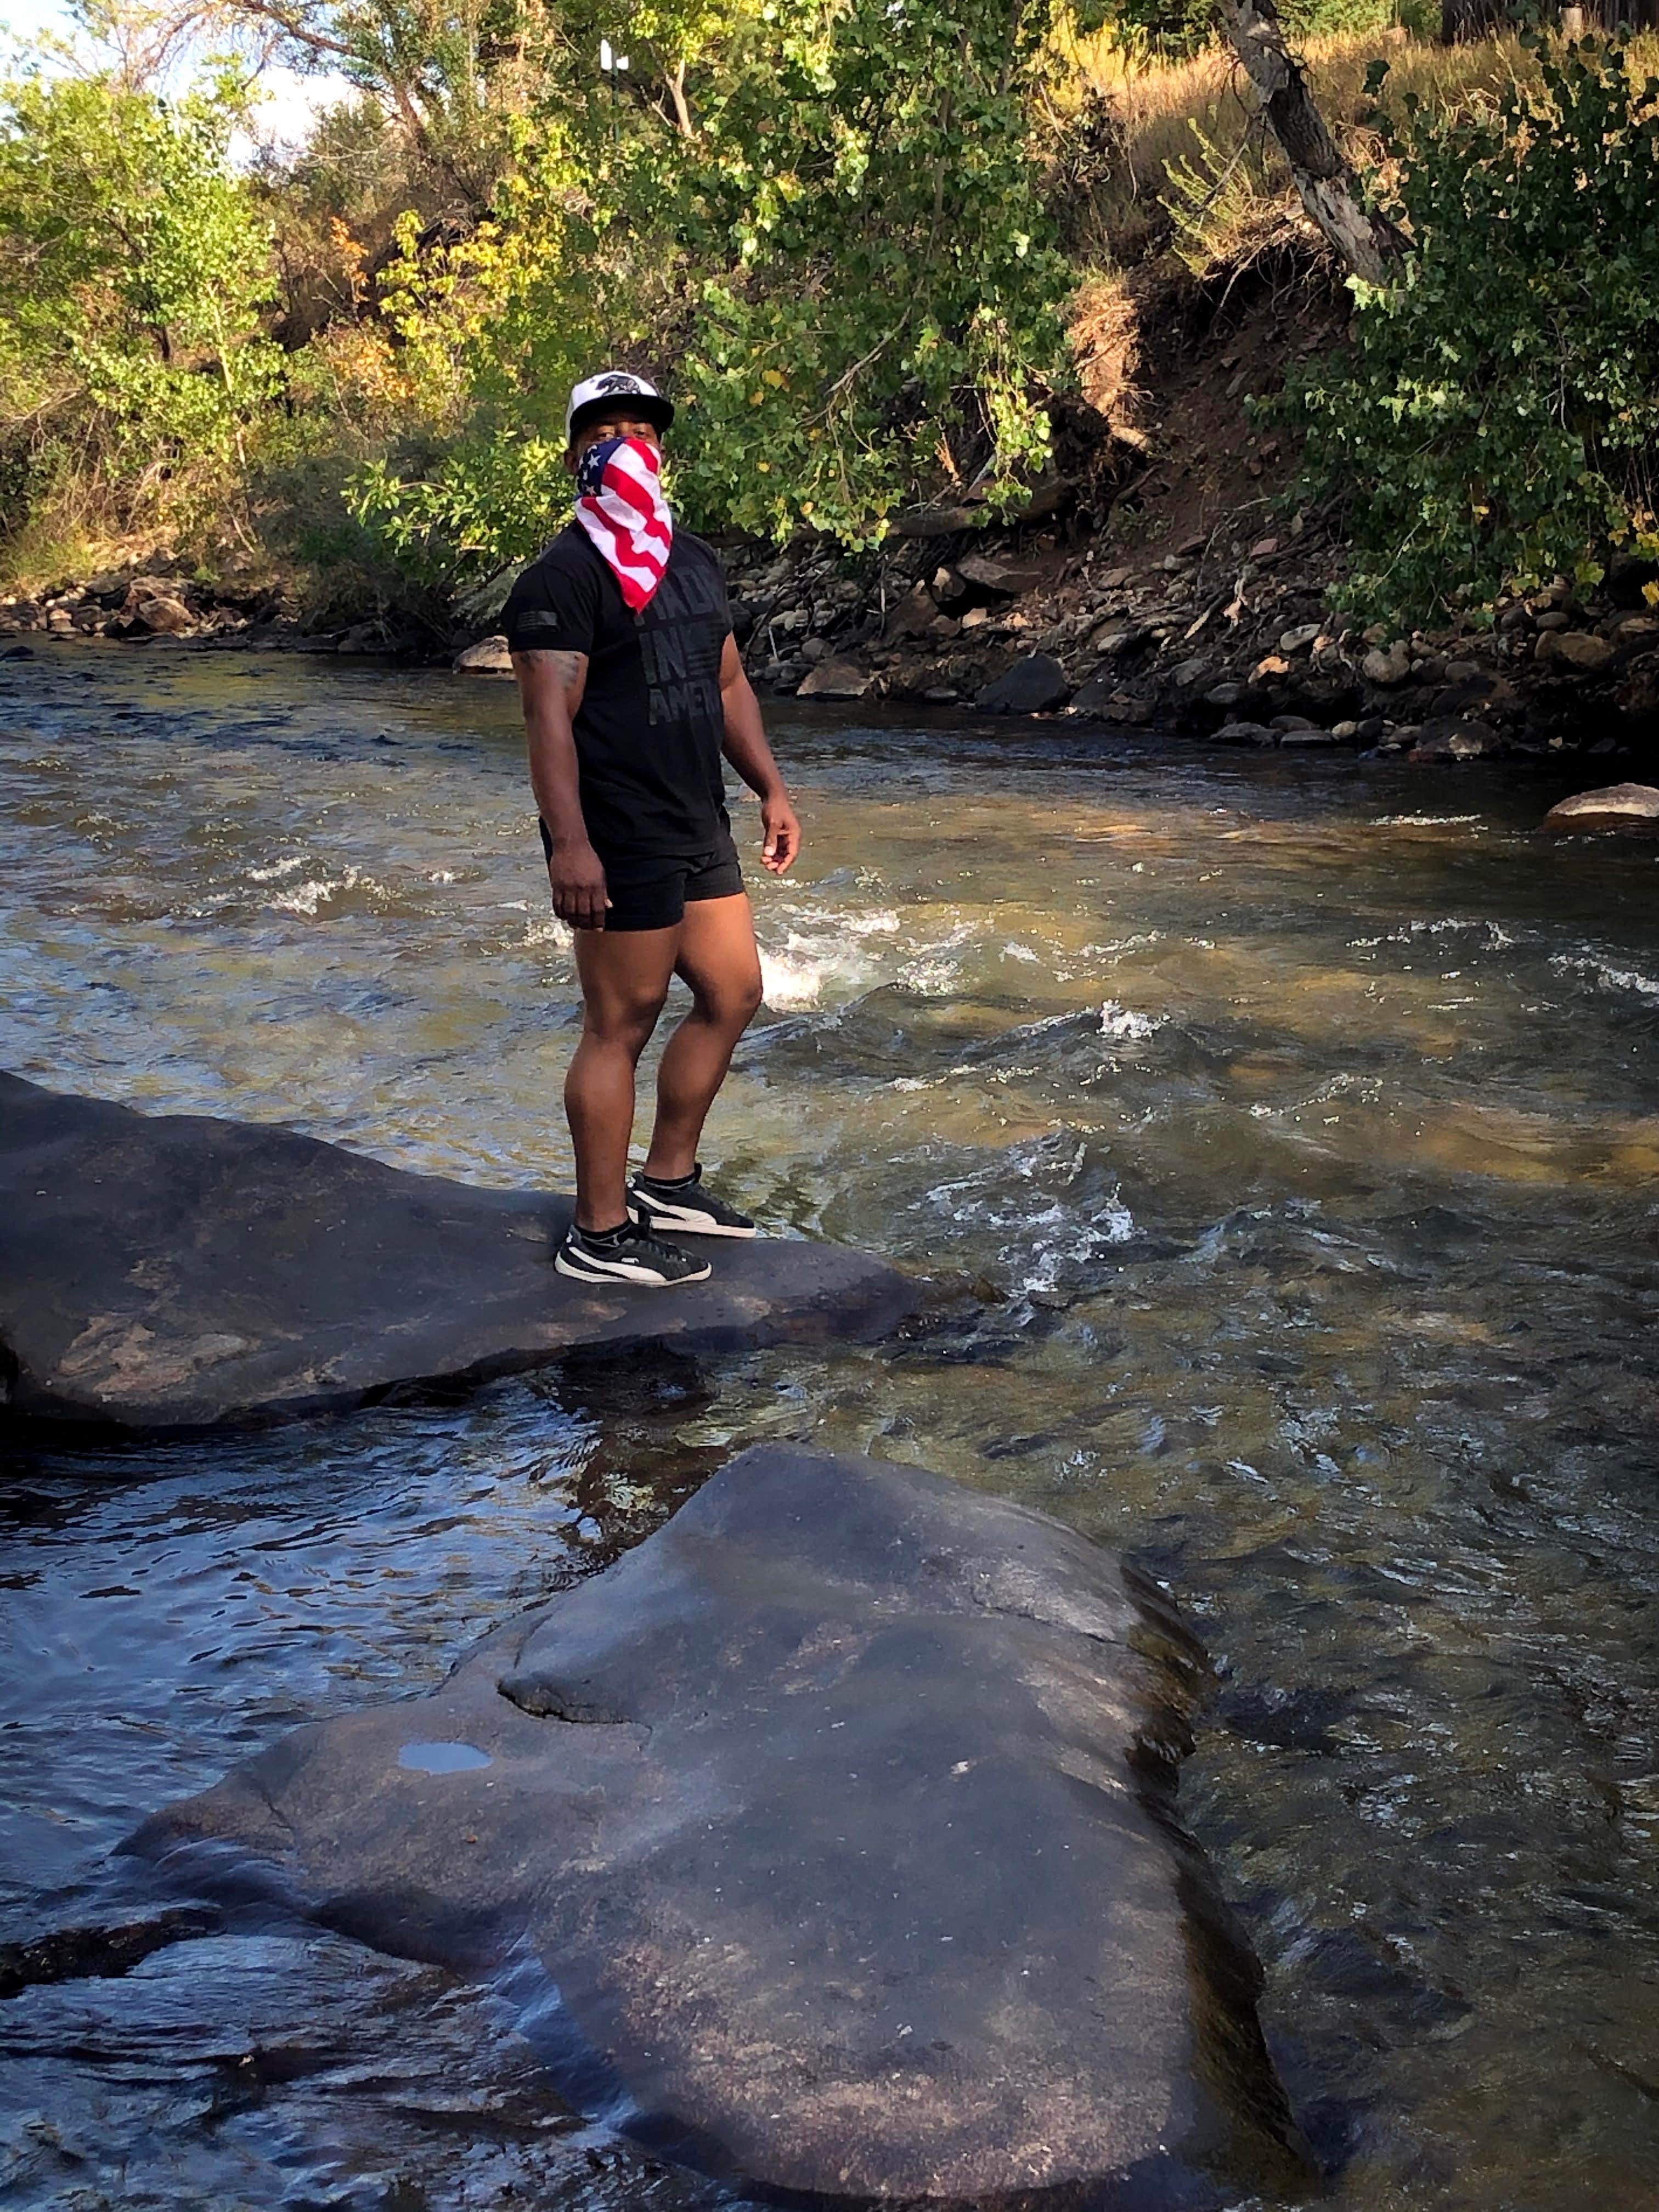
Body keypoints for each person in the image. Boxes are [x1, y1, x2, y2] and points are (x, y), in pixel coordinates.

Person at [503, 370, 802, 1289]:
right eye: (604, 432)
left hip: (695, 817)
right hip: (618, 830)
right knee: (619, 1026)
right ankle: (596, 1234)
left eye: (641, 429)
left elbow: (725, 684)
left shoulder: (692, 558)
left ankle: (667, 1182)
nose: (625, 443)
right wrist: (573, 845)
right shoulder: (561, 577)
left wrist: (771, 788)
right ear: (573, 457)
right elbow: (550, 719)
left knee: (734, 991)